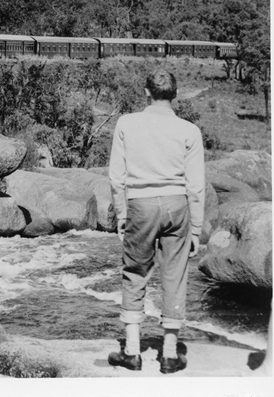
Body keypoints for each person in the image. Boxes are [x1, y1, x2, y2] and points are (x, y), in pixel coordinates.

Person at [107, 69, 205, 374]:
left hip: (141, 205)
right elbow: (196, 187)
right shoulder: (190, 131)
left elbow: (116, 178)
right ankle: (169, 355)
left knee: (135, 272)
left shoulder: (126, 123)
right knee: (175, 275)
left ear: (146, 93)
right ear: (174, 95)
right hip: (177, 206)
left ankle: (133, 353)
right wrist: (197, 230)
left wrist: (122, 215)